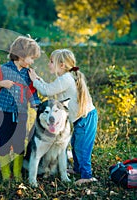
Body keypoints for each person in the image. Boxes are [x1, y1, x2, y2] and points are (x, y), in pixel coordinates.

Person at [28, 48, 98, 185]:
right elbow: (50, 87)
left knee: (82, 147)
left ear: (61, 65)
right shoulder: (65, 78)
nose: (49, 64)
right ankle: (78, 169)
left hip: (86, 118)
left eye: (51, 62)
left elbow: (46, 90)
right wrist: (37, 79)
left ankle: (87, 175)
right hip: (82, 118)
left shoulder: (65, 79)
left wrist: (35, 81)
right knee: (75, 144)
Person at [0, 36, 41, 182]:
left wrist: (37, 106)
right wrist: (1, 83)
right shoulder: (3, 69)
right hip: (3, 111)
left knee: (19, 142)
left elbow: (32, 92)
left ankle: (17, 173)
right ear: (21, 55)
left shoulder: (28, 73)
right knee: (4, 141)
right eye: (31, 58)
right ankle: (6, 174)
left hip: (21, 113)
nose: (32, 62)